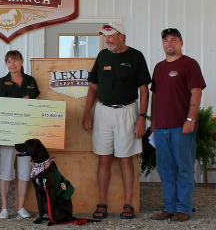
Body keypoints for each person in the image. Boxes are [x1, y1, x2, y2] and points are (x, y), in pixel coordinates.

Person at [82, 23, 151, 220]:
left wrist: (141, 118)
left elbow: (144, 90)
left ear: (122, 36)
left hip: (127, 112)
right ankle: (102, 203)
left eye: (111, 36)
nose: (107, 40)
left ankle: (128, 204)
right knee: (103, 158)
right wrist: (87, 112)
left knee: (125, 159)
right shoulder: (102, 56)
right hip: (103, 111)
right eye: (105, 36)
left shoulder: (136, 56)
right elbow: (93, 86)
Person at [149, 28, 206, 222]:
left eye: (173, 40)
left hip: (182, 126)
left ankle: (183, 208)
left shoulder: (190, 64)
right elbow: (154, 95)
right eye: (165, 41)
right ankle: (169, 207)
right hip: (162, 127)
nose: (169, 44)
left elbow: (196, 92)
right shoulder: (158, 67)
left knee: (184, 168)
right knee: (165, 169)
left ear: (181, 42)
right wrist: (153, 122)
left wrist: (190, 119)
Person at [0, 50, 40, 219]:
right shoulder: (2, 82)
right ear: (6, 64)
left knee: (23, 171)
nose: (12, 64)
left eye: (15, 61)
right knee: (6, 171)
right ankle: (5, 208)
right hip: (8, 132)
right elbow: (1, 106)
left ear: (22, 61)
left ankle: (20, 207)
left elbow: (35, 102)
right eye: (8, 61)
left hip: (26, 133)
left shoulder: (31, 81)